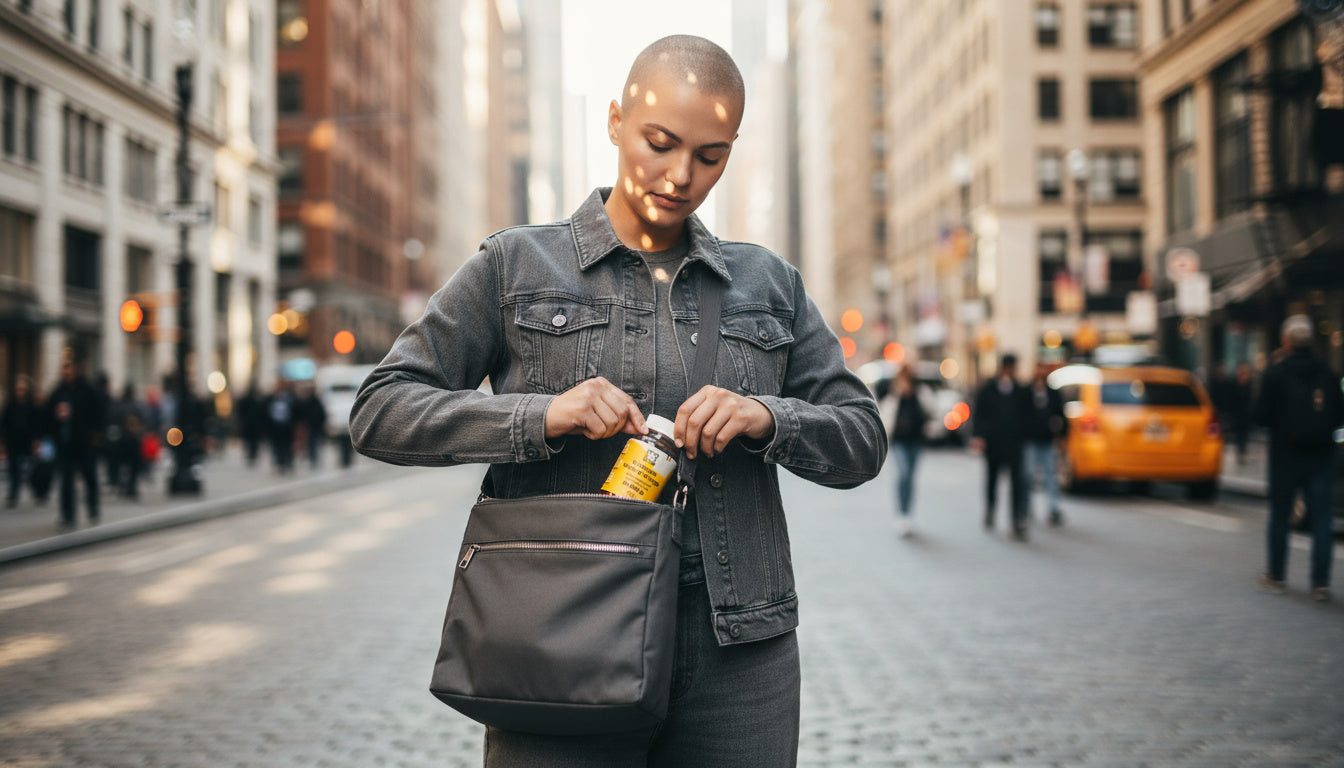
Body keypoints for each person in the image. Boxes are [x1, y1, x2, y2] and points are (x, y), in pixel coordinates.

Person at [350, 34, 885, 767]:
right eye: (659, 143)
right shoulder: (515, 264)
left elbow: (862, 437)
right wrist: (542, 415)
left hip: (738, 649)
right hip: (563, 628)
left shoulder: (770, 283)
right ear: (615, 121)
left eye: (710, 155)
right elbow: (381, 408)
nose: (679, 176)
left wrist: (767, 418)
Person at [1252, 315, 1342, 602]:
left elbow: (1259, 416)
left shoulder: (1276, 373)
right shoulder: (1327, 373)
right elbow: (1340, 416)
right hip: (1320, 457)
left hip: (1285, 458)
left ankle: (1277, 576)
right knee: (1322, 520)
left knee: (1280, 517)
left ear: (1286, 341)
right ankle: (1320, 584)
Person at [970, 353, 1032, 540]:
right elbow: (979, 415)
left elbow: (1027, 415)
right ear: (1006, 367)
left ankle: (1017, 518)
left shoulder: (1021, 391)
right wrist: (979, 437)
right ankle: (990, 509)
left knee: (1017, 482)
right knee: (992, 480)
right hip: (993, 444)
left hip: (1014, 444)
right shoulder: (988, 389)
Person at [48, 355, 105, 529]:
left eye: (69, 367)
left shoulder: (87, 389)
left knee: (89, 476)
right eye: (65, 368)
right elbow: (48, 413)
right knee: (66, 480)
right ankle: (68, 515)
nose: (67, 371)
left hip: (84, 441)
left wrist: (96, 434)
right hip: (65, 443)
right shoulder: (58, 391)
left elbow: (97, 412)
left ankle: (93, 507)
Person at [879, 366, 927, 537]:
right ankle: (901, 513)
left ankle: (907, 514)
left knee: (910, 478)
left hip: (915, 441)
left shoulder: (920, 392)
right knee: (903, 474)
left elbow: (931, 410)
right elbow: (884, 409)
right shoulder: (893, 393)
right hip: (899, 441)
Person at [1024, 362, 1067, 527]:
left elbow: (1060, 415)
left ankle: (1053, 509)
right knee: (1029, 476)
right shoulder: (1027, 391)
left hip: (1047, 440)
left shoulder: (1053, 393)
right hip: (1030, 440)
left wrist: (1060, 435)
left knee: (1050, 476)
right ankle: (1027, 508)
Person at [2, 374, 41, 507]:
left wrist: (35, 440)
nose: (20, 392)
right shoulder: (10, 405)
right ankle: (13, 496)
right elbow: (4, 423)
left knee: (30, 471)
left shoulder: (31, 406)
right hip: (13, 442)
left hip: (27, 442)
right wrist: (3, 440)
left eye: (22, 389)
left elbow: (36, 424)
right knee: (14, 470)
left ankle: (37, 491)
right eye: (18, 389)